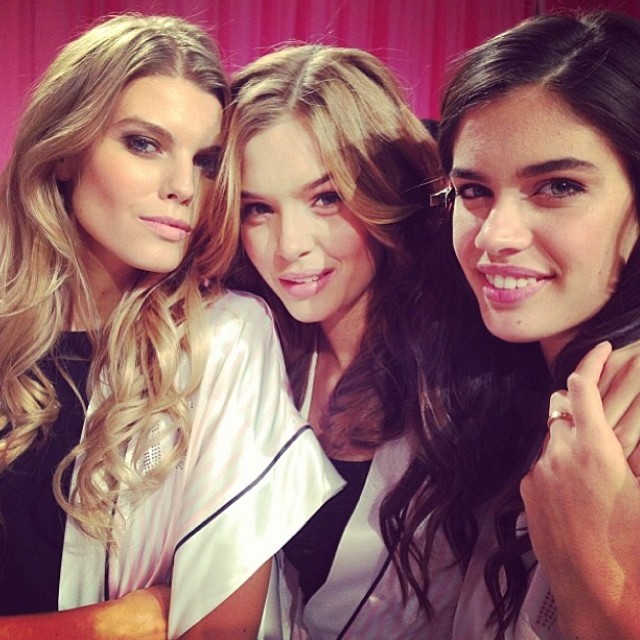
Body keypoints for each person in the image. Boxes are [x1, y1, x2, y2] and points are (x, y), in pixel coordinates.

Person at [0, 14, 342, 639]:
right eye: (144, 144)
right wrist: (117, 623)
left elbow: (219, 630)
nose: (184, 187)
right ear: (66, 149)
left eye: (206, 161)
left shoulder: (224, 338)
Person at [218, 44, 460, 638]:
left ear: (386, 192)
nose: (289, 245)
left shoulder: (467, 374)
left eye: (326, 199)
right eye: (257, 209)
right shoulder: (255, 351)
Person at [431, 9, 640, 640]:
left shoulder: (627, 432)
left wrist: (598, 589)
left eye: (558, 186)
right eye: (474, 191)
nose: (495, 236)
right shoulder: (513, 388)